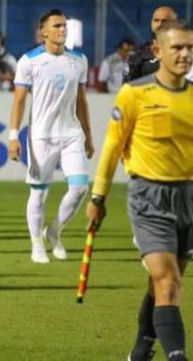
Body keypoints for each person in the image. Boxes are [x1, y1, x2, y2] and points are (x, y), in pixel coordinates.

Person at [87, 20, 192, 361]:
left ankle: (143, 343)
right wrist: (98, 197)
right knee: (168, 280)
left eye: (190, 48)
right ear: (158, 51)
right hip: (149, 198)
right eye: (178, 47)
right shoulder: (135, 94)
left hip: (188, 198)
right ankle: (176, 356)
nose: (185, 54)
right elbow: (112, 148)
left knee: (164, 284)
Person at [9, 9, 95, 264]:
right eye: (57, 26)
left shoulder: (79, 60)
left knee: (80, 187)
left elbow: (81, 100)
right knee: (39, 193)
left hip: (71, 133)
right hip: (41, 135)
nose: (62, 30)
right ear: (43, 32)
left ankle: (54, 230)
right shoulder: (29, 61)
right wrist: (13, 136)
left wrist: (88, 135)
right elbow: (19, 101)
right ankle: (37, 244)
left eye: (65, 26)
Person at [124, 6, 178, 82]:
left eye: (165, 21)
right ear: (151, 23)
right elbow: (127, 87)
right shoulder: (138, 54)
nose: (160, 24)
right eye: (156, 20)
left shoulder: (186, 52)